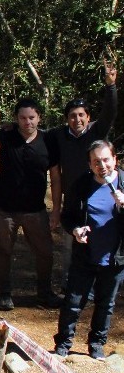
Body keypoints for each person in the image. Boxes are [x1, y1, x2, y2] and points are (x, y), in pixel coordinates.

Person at [0, 99, 62, 311]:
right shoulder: (7, 137)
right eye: (23, 118)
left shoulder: (49, 141)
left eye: (31, 118)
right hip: (5, 208)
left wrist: (56, 209)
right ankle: (4, 295)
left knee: (45, 253)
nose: (27, 122)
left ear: (39, 118)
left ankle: (44, 294)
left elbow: (55, 177)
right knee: (4, 250)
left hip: (35, 210)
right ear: (16, 119)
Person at [48, 60, 118, 287]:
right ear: (67, 118)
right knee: (72, 241)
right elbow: (35, 133)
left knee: (103, 236)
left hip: (101, 195)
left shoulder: (96, 131)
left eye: (81, 115)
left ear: (88, 117)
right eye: (72, 115)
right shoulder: (59, 135)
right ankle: (71, 283)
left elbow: (110, 112)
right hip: (74, 198)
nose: (77, 119)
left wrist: (110, 86)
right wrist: (10, 127)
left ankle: (105, 281)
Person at [54, 141, 124, 360]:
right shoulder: (82, 185)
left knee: (106, 303)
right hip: (86, 255)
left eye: (106, 160)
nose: (102, 165)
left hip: (115, 258)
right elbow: (68, 216)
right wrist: (75, 229)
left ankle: (96, 345)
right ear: (90, 164)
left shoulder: (123, 182)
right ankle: (63, 343)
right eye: (96, 161)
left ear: (115, 160)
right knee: (73, 302)